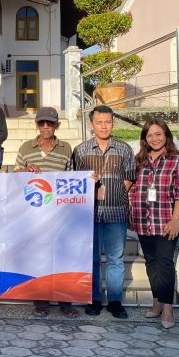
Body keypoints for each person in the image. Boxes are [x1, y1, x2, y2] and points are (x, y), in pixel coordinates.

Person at [70, 104, 136, 319]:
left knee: (116, 258)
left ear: (113, 123)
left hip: (116, 212)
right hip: (90, 214)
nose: (104, 126)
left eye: (108, 122)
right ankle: (95, 299)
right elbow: (74, 180)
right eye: (99, 122)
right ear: (91, 124)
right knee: (93, 259)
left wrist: (115, 193)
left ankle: (115, 301)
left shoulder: (124, 148)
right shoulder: (81, 150)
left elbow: (129, 178)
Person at [14, 106, 77, 318]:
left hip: (60, 214)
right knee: (39, 257)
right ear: (37, 125)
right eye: (42, 123)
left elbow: (72, 179)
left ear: (57, 125)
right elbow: (14, 178)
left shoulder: (66, 148)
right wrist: (25, 170)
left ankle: (65, 300)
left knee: (63, 257)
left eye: (50, 123)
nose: (45, 127)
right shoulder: (25, 148)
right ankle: (40, 299)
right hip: (34, 214)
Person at [129, 119, 179, 329]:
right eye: (149, 135)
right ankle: (156, 301)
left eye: (158, 134)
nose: (154, 139)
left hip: (166, 221)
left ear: (166, 135)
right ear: (144, 139)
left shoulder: (177, 160)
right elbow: (133, 189)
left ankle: (168, 307)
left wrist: (175, 219)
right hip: (143, 220)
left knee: (164, 263)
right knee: (151, 262)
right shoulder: (140, 160)